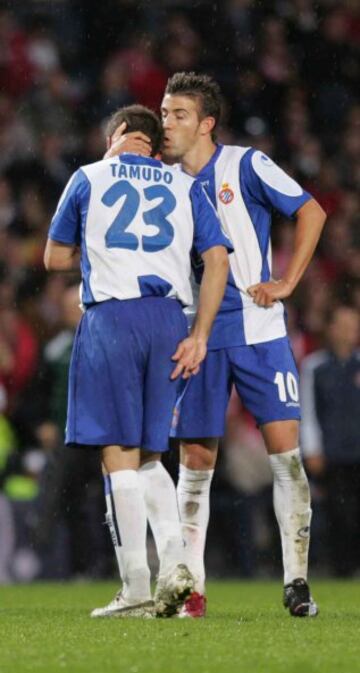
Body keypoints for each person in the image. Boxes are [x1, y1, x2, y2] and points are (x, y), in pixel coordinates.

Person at [107, 73, 326, 618]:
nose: (166, 123)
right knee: (196, 464)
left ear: (206, 123)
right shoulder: (160, 180)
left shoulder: (245, 166)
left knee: (286, 457)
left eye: (178, 114)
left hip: (257, 328)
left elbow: (311, 211)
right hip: (194, 333)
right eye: (162, 112)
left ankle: (296, 582)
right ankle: (193, 590)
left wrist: (289, 282)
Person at [44, 104, 231, 618]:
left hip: (115, 318)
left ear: (119, 135)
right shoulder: (186, 184)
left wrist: (104, 250)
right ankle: (177, 568)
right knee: (152, 453)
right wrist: (200, 333)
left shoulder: (89, 176)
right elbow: (217, 259)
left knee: (119, 454)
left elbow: (53, 258)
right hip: (170, 320)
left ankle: (135, 588)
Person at [301, 305, 360, 577]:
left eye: (353, 325)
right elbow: (308, 411)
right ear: (331, 329)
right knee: (338, 511)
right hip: (333, 452)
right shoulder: (315, 366)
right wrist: (312, 449)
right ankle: (342, 568)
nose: (349, 331)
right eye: (343, 325)